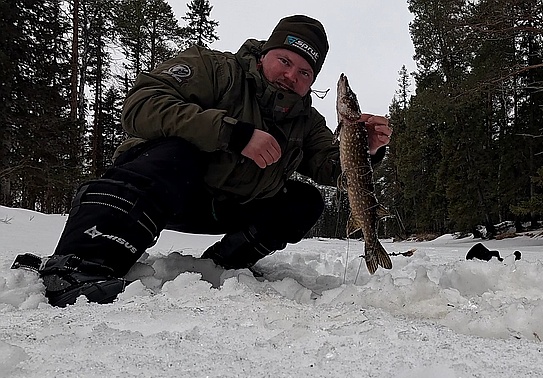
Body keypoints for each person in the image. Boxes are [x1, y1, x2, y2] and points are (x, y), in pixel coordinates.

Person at [34, 15, 392, 307]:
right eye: (285, 61)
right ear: (266, 53)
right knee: (177, 153)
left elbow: (334, 169)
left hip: (230, 208)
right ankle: (80, 263)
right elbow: (141, 104)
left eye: (304, 73)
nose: (291, 76)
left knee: (304, 200)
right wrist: (235, 135)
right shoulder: (216, 70)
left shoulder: (306, 121)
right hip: (167, 192)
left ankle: (223, 264)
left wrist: (369, 151)